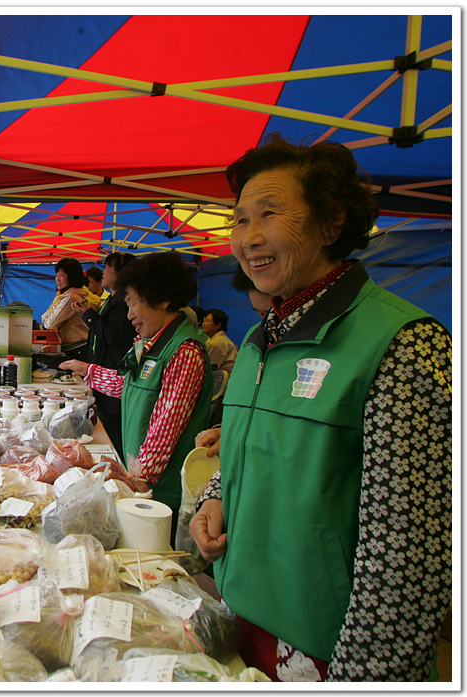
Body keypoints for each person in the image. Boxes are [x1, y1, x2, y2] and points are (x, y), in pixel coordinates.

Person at [189, 135, 451, 681]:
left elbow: (407, 565)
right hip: (240, 623)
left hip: (326, 655)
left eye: (270, 214)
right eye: (239, 220)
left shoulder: (405, 346)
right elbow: (254, 449)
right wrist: (217, 497)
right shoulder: (261, 340)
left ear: (332, 221)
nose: (248, 238)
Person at [60, 251, 212, 534]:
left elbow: (166, 424)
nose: (129, 315)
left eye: (133, 304)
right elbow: (127, 386)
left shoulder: (184, 351)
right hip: (140, 481)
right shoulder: (148, 343)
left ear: (163, 300)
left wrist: (138, 479)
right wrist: (88, 370)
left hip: (160, 494)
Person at [70, 252, 136, 456]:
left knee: (112, 429)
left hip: (113, 375)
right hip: (103, 374)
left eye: (107, 268)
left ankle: (115, 465)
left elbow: (110, 334)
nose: (103, 272)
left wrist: (88, 315)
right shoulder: (112, 300)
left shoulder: (123, 302)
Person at [41, 257, 91, 360]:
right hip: (76, 347)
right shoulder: (65, 294)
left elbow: (49, 324)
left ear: (71, 277)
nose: (57, 279)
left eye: (61, 275)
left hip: (77, 348)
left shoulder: (71, 297)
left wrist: (47, 316)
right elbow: (45, 318)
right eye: (56, 275)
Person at [201, 308, 237, 374]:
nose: (203, 324)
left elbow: (208, 369)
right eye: (204, 321)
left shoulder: (217, 343)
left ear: (218, 325)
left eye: (207, 321)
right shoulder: (216, 340)